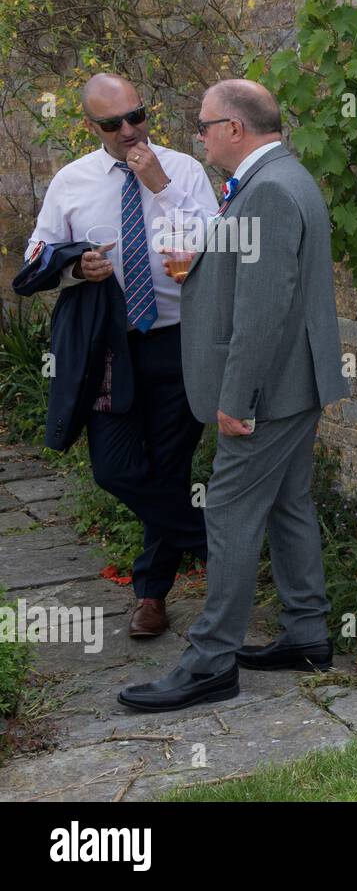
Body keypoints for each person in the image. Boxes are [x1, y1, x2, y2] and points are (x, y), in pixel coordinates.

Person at [119, 80, 350, 711]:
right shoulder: (282, 177)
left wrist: (238, 397)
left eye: (204, 124)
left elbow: (263, 312)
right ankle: (307, 633)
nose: (198, 135)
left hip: (268, 392)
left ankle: (209, 663)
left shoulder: (270, 189)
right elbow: (260, 279)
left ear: (235, 130)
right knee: (289, 504)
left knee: (226, 510)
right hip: (294, 384)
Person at [22, 73, 214, 639]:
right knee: (115, 469)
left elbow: (217, 244)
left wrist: (162, 189)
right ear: (93, 127)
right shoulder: (72, 181)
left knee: (169, 469)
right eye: (114, 123)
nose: (130, 130)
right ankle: (212, 541)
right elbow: (38, 253)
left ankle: (150, 594)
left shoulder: (183, 170)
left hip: (180, 339)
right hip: (111, 348)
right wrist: (75, 267)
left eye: (138, 116)